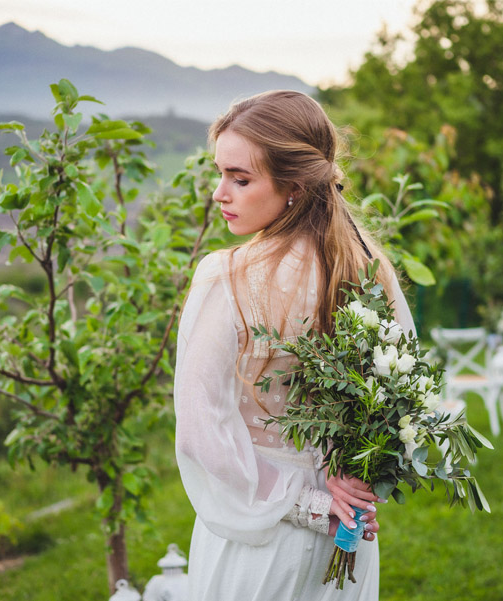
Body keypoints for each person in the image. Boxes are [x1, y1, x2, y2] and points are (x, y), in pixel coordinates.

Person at [173, 90, 417, 601]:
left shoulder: (228, 276)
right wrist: (356, 477)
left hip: (261, 533)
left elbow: (201, 429)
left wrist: (305, 501)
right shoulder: (372, 269)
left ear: (295, 187)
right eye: (220, 175)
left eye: (240, 179)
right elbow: (403, 395)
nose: (220, 193)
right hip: (347, 533)